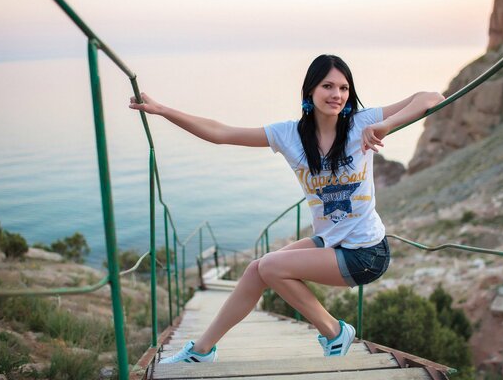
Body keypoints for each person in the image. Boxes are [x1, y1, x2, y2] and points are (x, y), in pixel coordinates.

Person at [129, 54, 445, 364]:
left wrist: (385, 125)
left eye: (344, 88)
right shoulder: (289, 135)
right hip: (331, 241)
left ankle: (335, 332)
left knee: (271, 267)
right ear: (310, 90)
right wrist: (162, 110)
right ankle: (201, 350)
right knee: (256, 269)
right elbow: (221, 133)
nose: (337, 95)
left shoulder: (362, 122)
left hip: (367, 252)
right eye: (328, 86)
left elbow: (430, 97)